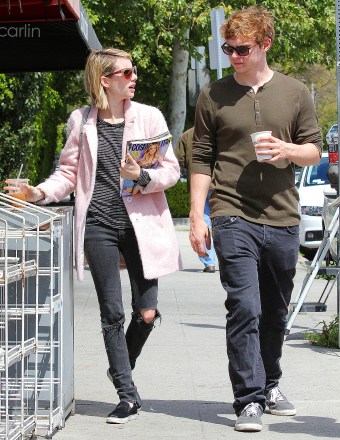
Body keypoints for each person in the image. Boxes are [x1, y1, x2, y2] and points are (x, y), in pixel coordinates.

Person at [6, 48, 182, 425]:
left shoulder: (149, 117)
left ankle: (121, 366)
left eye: (134, 71)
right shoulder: (81, 120)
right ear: (105, 79)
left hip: (141, 224)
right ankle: (126, 394)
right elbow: (67, 174)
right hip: (99, 224)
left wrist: (142, 177)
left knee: (146, 313)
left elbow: (171, 170)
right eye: (127, 72)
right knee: (111, 313)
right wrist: (37, 192)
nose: (134, 77)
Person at [189, 6, 323, 432]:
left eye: (242, 48)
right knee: (244, 306)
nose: (234, 56)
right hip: (232, 213)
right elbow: (201, 158)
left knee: (275, 310)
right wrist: (197, 214)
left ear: (265, 44)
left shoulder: (296, 92)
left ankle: (271, 382)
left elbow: (314, 150)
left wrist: (285, 151)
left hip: (283, 214)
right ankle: (248, 397)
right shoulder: (213, 95)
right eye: (228, 48)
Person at [175, 127, 216, 272]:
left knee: (202, 219)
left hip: (197, 183)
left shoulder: (187, 135)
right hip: (220, 183)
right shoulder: (221, 129)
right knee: (223, 221)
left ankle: (209, 261)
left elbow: (177, 160)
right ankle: (227, 259)